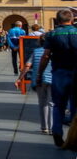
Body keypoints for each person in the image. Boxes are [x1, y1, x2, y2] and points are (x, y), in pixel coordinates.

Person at [45, 8, 77, 146]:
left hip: (59, 72)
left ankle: (57, 131)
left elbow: (46, 55)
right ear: (72, 19)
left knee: (58, 105)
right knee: (75, 107)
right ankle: (74, 137)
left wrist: (39, 74)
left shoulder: (51, 34)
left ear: (57, 20)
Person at [30, 36, 54, 135]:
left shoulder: (35, 52)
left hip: (40, 80)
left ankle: (44, 127)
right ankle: (52, 128)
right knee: (52, 103)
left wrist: (20, 78)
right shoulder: (55, 51)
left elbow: (28, 65)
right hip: (53, 79)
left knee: (42, 103)